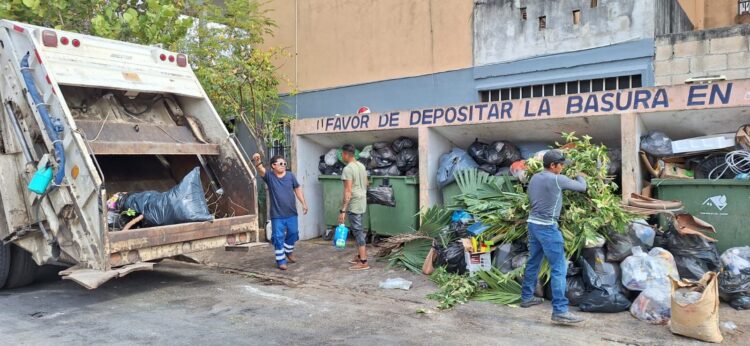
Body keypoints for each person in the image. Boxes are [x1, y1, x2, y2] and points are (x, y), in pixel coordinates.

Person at [520, 149, 587, 324]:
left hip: (533, 224)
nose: (563, 167)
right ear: (553, 165)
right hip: (548, 227)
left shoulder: (534, 177)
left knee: (533, 261)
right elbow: (582, 187)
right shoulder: (558, 179)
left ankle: (527, 297)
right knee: (558, 268)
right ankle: (560, 311)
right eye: (561, 165)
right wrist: (580, 174)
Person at [252, 153, 308, 270]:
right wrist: (257, 161)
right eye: (281, 164)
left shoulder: (290, 176)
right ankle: (281, 260)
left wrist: (303, 203)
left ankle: (288, 251)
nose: (283, 165)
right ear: (273, 165)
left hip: (291, 213)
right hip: (277, 215)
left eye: (284, 164)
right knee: (278, 237)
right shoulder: (270, 177)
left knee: (293, 233)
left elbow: (297, 189)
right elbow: (261, 170)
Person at [338, 144, 370, 271]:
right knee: (359, 229)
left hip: (354, 203)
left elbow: (348, 191)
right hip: (362, 200)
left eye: (342, 154)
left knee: (358, 232)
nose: (341, 156)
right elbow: (367, 183)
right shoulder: (361, 166)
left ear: (346, 154)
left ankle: (364, 261)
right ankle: (359, 256)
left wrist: (343, 210)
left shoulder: (348, 169)